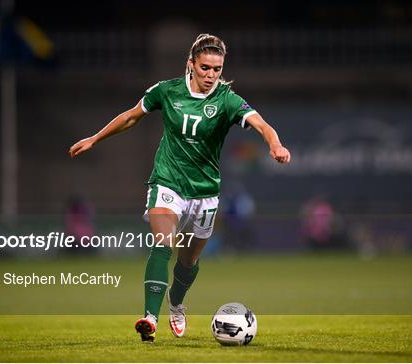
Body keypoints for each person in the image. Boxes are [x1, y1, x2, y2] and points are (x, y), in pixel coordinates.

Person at [69, 34, 291, 343]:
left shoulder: (226, 99)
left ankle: (176, 302)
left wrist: (275, 144)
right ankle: (149, 318)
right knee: (163, 244)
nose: (211, 75)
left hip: (204, 193)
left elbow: (262, 125)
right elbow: (132, 116)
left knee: (188, 262)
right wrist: (94, 138)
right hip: (167, 182)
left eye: (217, 68)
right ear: (190, 64)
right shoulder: (167, 90)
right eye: (205, 68)